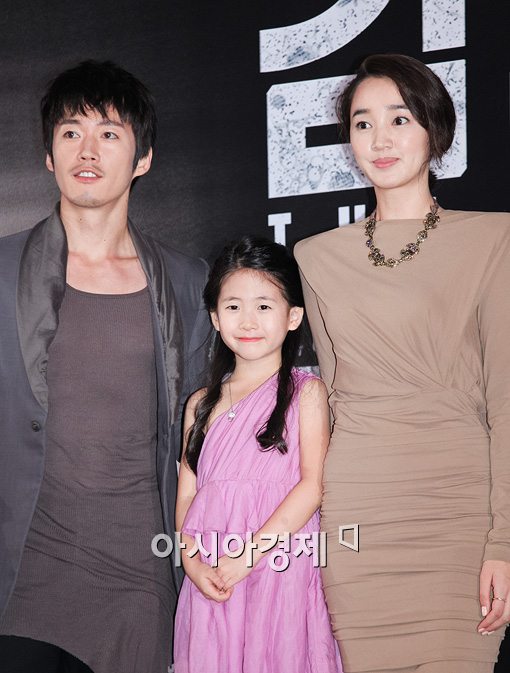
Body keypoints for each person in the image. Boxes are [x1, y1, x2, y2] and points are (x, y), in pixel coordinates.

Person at [294, 53, 510, 673]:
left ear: (434, 129)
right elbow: (332, 395)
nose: (380, 139)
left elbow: (505, 398)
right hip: (360, 511)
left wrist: (503, 539)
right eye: (363, 124)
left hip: (459, 510)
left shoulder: (491, 239)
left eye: (399, 119)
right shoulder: (315, 256)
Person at [0, 61, 210, 673]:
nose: (87, 150)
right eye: (71, 132)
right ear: (49, 155)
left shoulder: (186, 281)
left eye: (110, 133)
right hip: (23, 577)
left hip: (139, 580)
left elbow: (202, 436)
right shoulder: (3, 272)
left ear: (143, 159)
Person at [173, 236, 342, 672]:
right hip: (212, 571)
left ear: (293, 316)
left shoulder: (307, 394)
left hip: (279, 566)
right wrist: (191, 563)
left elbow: (312, 486)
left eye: (264, 306)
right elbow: (188, 494)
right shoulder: (200, 404)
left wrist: (249, 556)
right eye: (233, 306)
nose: (248, 320)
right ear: (215, 317)